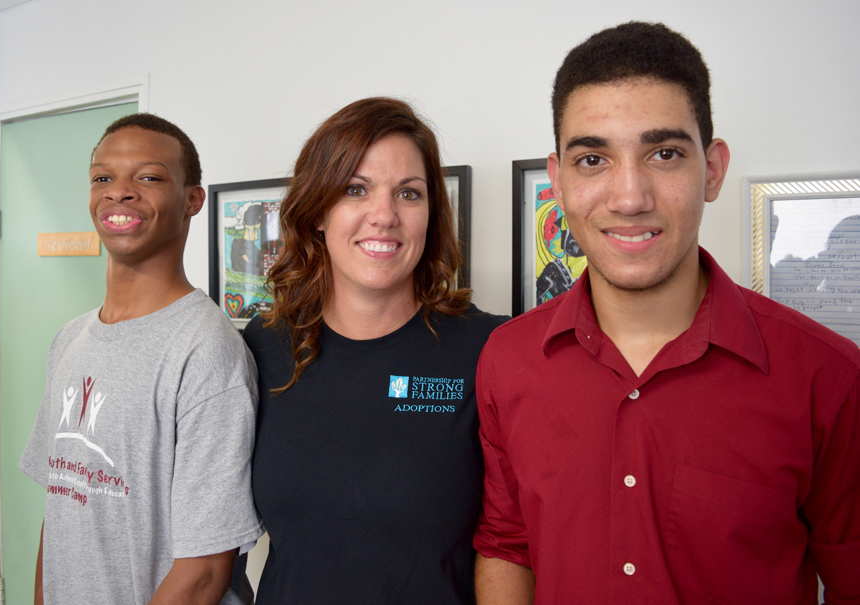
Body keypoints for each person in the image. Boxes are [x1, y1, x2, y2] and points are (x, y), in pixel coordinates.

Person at [473, 21, 860, 604]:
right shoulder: (508, 360)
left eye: (664, 154)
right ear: (558, 182)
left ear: (712, 169)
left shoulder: (826, 376)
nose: (630, 197)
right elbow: (508, 544)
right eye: (593, 159)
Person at [242, 97, 506, 604]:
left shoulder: (486, 350)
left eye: (408, 193)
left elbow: (517, 542)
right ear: (317, 212)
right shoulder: (263, 344)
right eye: (355, 189)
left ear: (430, 215)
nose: (384, 216)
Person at [19, 114, 262, 605]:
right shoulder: (69, 339)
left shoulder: (206, 350)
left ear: (192, 199)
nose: (118, 192)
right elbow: (62, 510)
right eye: (102, 178)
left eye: (148, 177)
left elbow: (204, 573)